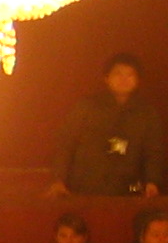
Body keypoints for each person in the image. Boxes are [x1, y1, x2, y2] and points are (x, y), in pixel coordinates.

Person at [51, 52, 165, 198]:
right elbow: (66, 144)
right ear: (106, 78)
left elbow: (154, 151)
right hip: (84, 188)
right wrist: (59, 179)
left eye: (130, 75)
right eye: (118, 74)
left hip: (129, 190)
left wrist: (152, 182)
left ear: (138, 80)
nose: (123, 80)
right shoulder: (86, 107)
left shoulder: (147, 113)